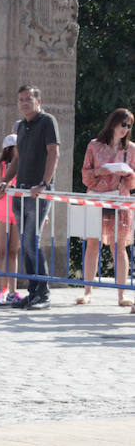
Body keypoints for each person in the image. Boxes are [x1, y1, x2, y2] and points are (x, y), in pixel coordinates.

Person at [0, 85, 60, 310]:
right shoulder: (21, 127)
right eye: (21, 99)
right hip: (20, 191)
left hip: (37, 192)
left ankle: (43, 293)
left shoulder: (47, 121)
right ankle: (33, 292)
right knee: (26, 243)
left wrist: (44, 183)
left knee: (32, 242)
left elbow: (53, 152)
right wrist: (6, 180)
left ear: (38, 101)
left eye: (28, 99)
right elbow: (17, 159)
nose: (24, 103)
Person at [78, 108, 135, 308]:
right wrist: (99, 171)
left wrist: (128, 175)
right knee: (93, 245)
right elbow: (85, 174)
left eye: (129, 126)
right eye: (123, 124)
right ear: (113, 123)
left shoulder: (131, 149)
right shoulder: (94, 146)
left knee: (119, 247)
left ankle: (122, 295)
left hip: (120, 200)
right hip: (96, 198)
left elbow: (134, 182)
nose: (126, 129)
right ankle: (87, 291)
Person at [0, 134, 22, 305]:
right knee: (1, 251)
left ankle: (12, 290)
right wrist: (7, 184)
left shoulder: (23, 167)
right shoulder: (0, 166)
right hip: (2, 212)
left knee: (13, 252)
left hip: (17, 213)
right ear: (10, 149)